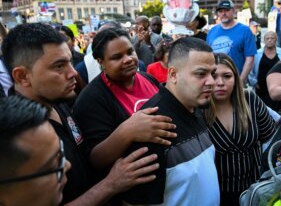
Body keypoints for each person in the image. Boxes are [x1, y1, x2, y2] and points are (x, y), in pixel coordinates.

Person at [1, 23, 160, 205]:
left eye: (69, 62)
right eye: (59, 66)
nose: (73, 72)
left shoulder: (60, 102)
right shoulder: (13, 135)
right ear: (22, 76)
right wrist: (110, 185)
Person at [72, 27, 177, 203]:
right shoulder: (91, 99)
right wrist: (127, 132)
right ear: (101, 62)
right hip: (133, 196)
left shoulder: (148, 79)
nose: (128, 59)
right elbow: (95, 159)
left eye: (130, 52)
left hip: (170, 183)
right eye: (117, 57)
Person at [122, 37, 220, 205]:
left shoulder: (196, 107)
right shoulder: (152, 125)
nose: (212, 82)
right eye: (201, 74)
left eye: (212, 73)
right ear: (173, 74)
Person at [204, 53, 275, 206]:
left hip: (255, 189)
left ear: (236, 78)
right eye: (214, 76)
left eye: (227, 76)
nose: (220, 83)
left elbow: (269, 136)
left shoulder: (250, 99)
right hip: (217, 194)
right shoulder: (199, 109)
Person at [207, 0, 257, 83]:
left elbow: (250, 59)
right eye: (220, 11)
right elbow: (208, 57)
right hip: (215, 81)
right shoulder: (212, 31)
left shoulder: (245, 30)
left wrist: (241, 81)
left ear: (233, 11)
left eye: (226, 10)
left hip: (236, 79)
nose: (223, 13)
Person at [249, 31, 281, 111]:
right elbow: (250, 70)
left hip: (277, 87)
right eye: (267, 38)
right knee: (261, 109)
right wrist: (254, 82)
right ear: (264, 40)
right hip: (261, 88)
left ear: (276, 40)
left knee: (277, 111)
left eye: (272, 38)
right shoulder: (257, 53)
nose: (270, 40)